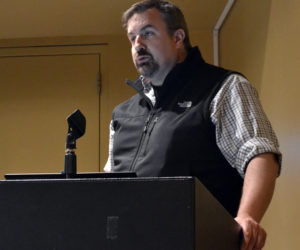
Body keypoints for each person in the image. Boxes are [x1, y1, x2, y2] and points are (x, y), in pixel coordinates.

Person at [104, 0, 281, 249]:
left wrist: (247, 216)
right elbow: (108, 183)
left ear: (178, 38)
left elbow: (259, 153)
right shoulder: (122, 114)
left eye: (148, 33)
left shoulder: (222, 87)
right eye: (132, 38)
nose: (138, 45)